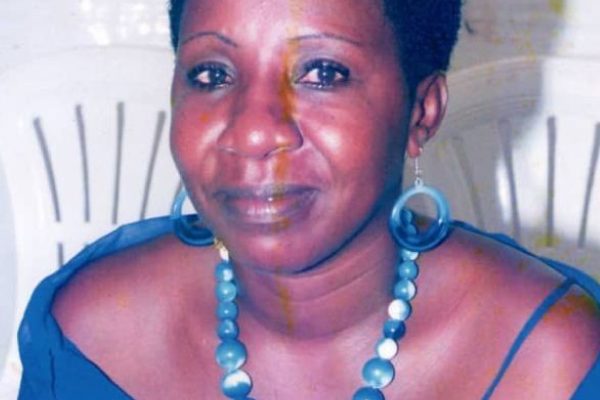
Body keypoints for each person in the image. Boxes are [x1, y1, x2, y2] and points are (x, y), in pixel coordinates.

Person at [18, 0, 600, 399]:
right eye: (212, 75)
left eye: (323, 73)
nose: (253, 132)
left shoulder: (551, 362)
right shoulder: (89, 336)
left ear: (421, 112)